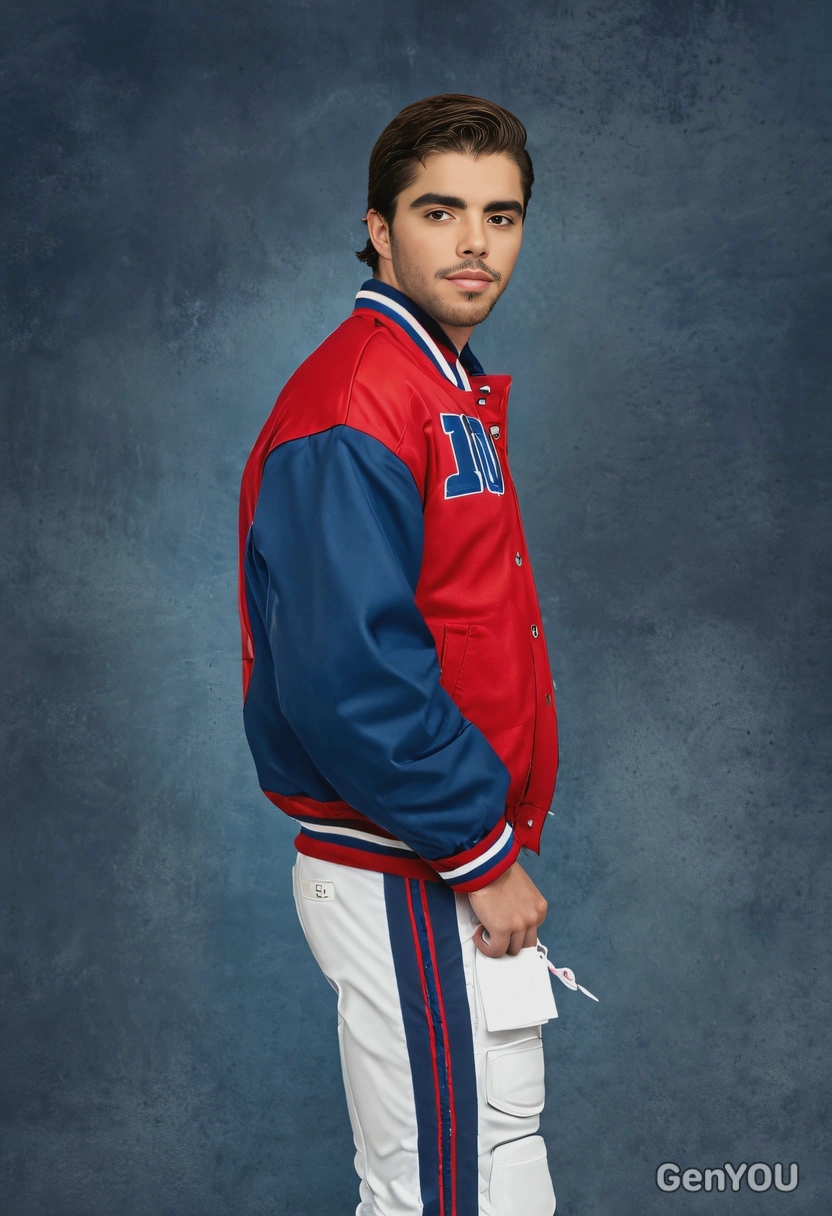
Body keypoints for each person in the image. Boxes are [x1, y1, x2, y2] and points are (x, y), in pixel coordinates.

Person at [238, 93, 560, 1216]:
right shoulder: (358, 395)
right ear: (379, 228)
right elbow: (344, 672)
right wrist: (477, 849)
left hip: (442, 855)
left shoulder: (442, 383)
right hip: (401, 860)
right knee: (440, 1193)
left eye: (501, 215)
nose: (475, 243)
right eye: (440, 211)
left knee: (496, 1172)